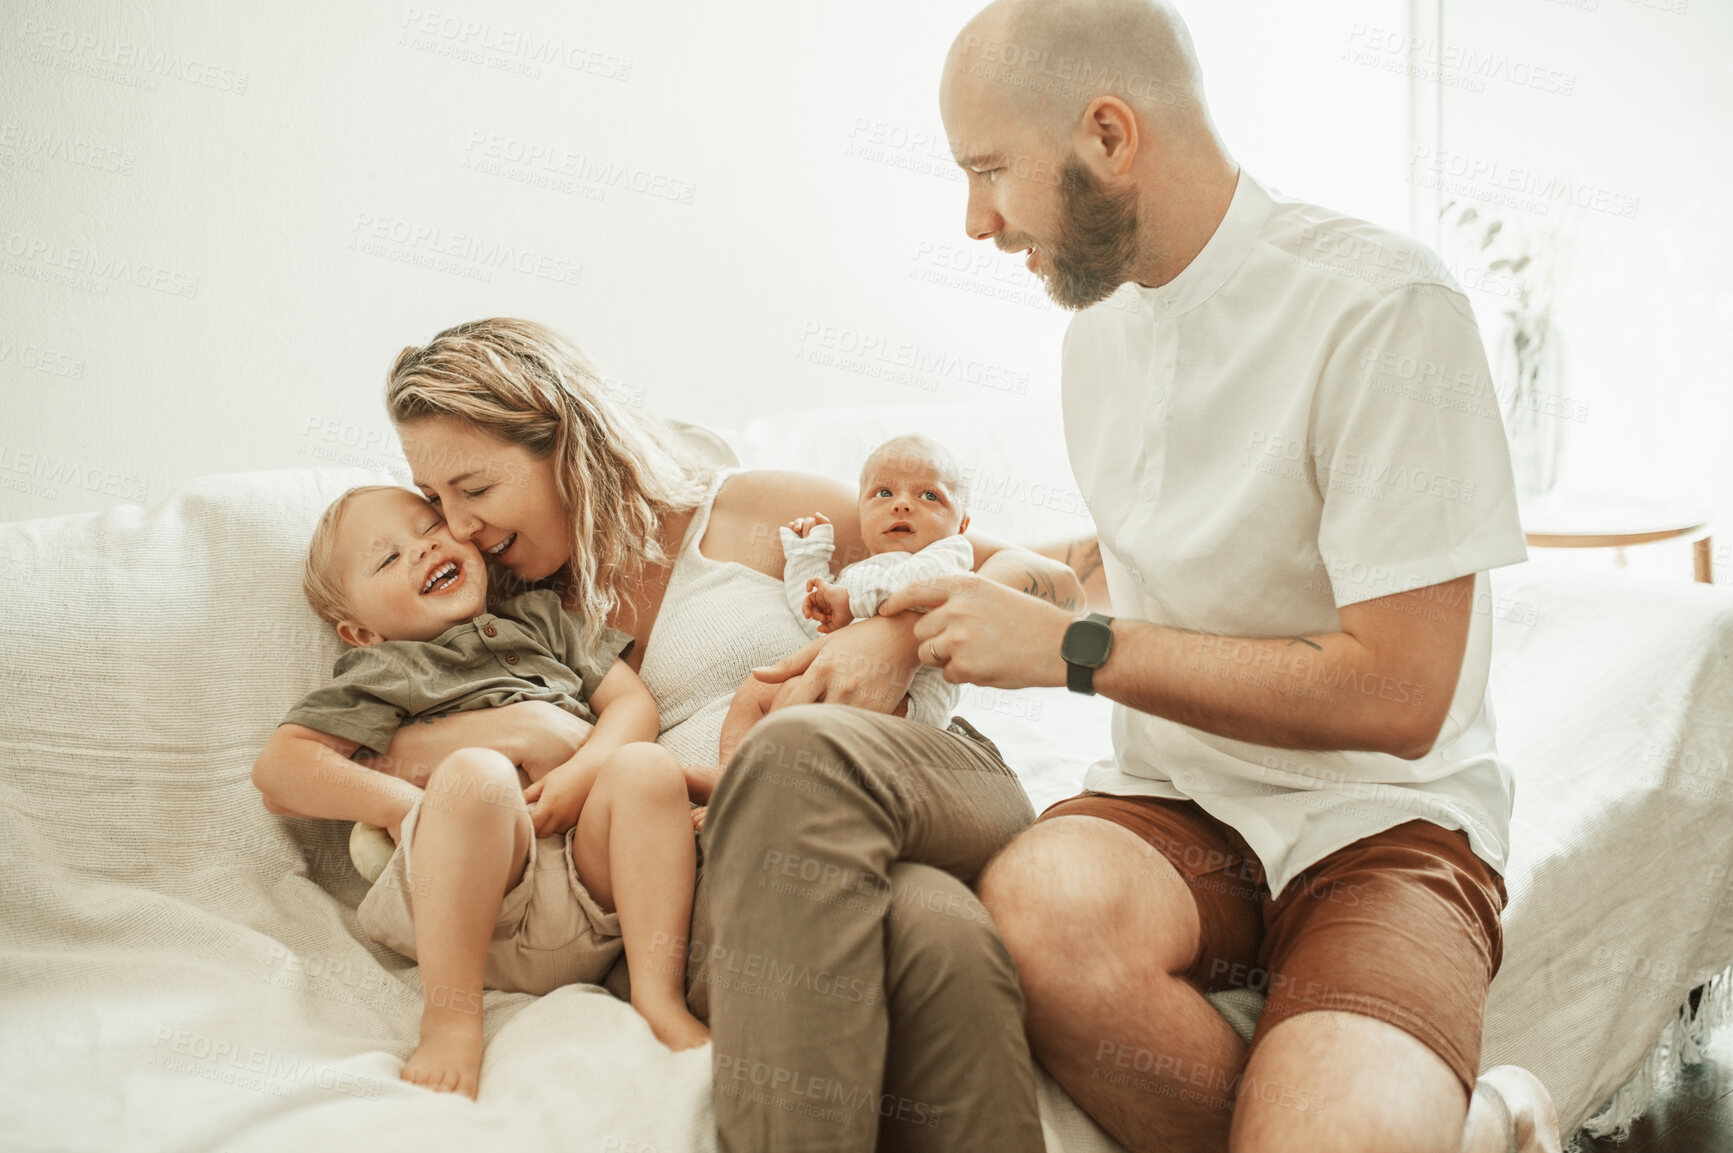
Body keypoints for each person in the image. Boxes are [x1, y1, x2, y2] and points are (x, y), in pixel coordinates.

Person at [881, 2, 1564, 1151]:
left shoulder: (1383, 308)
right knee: (1031, 906)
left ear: (1106, 135)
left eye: (989, 170)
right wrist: (928, 602)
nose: (975, 220)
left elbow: (1401, 697)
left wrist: (1074, 652)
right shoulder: (1095, 337)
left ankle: (1466, 1118)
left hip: (1381, 822)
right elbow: (1144, 556)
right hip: (1176, 809)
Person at [366, 316, 1084, 1151]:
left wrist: (886, 637)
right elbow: (389, 746)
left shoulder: (748, 510)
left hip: (923, 780)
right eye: (437, 501)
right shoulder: (503, 611)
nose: (458, 527)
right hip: (742, 874)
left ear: (565, 440)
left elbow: (1052, 585)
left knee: (790, 755)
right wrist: (527, 727)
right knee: (935, 931)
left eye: (475, 490)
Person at [251, 484, 709, 1100]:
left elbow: (630, 703)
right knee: (476, 775)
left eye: (430, 525)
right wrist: (412, 809)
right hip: (471, 914)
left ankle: (660, 999)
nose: (423, 548)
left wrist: (584, 771)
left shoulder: (546, 620)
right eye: (388, 558)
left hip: (590, 886)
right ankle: (450, 1018)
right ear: (360, 632)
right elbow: (281, 772)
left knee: (645, 767)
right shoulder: (386, 670)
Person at [713, 433, 975, 769]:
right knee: (755, 692)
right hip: (847, 690)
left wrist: (849, 601)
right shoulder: (857, 574)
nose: (903, 504)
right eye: (884, 493)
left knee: (810, 726)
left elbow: (915, 587)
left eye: (929, 495)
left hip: (910, 708)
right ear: (862, 518)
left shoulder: (951, 553)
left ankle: (762, 784)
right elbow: (819, 629)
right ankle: (729, 774)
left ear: (962, 524)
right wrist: (808, 561)